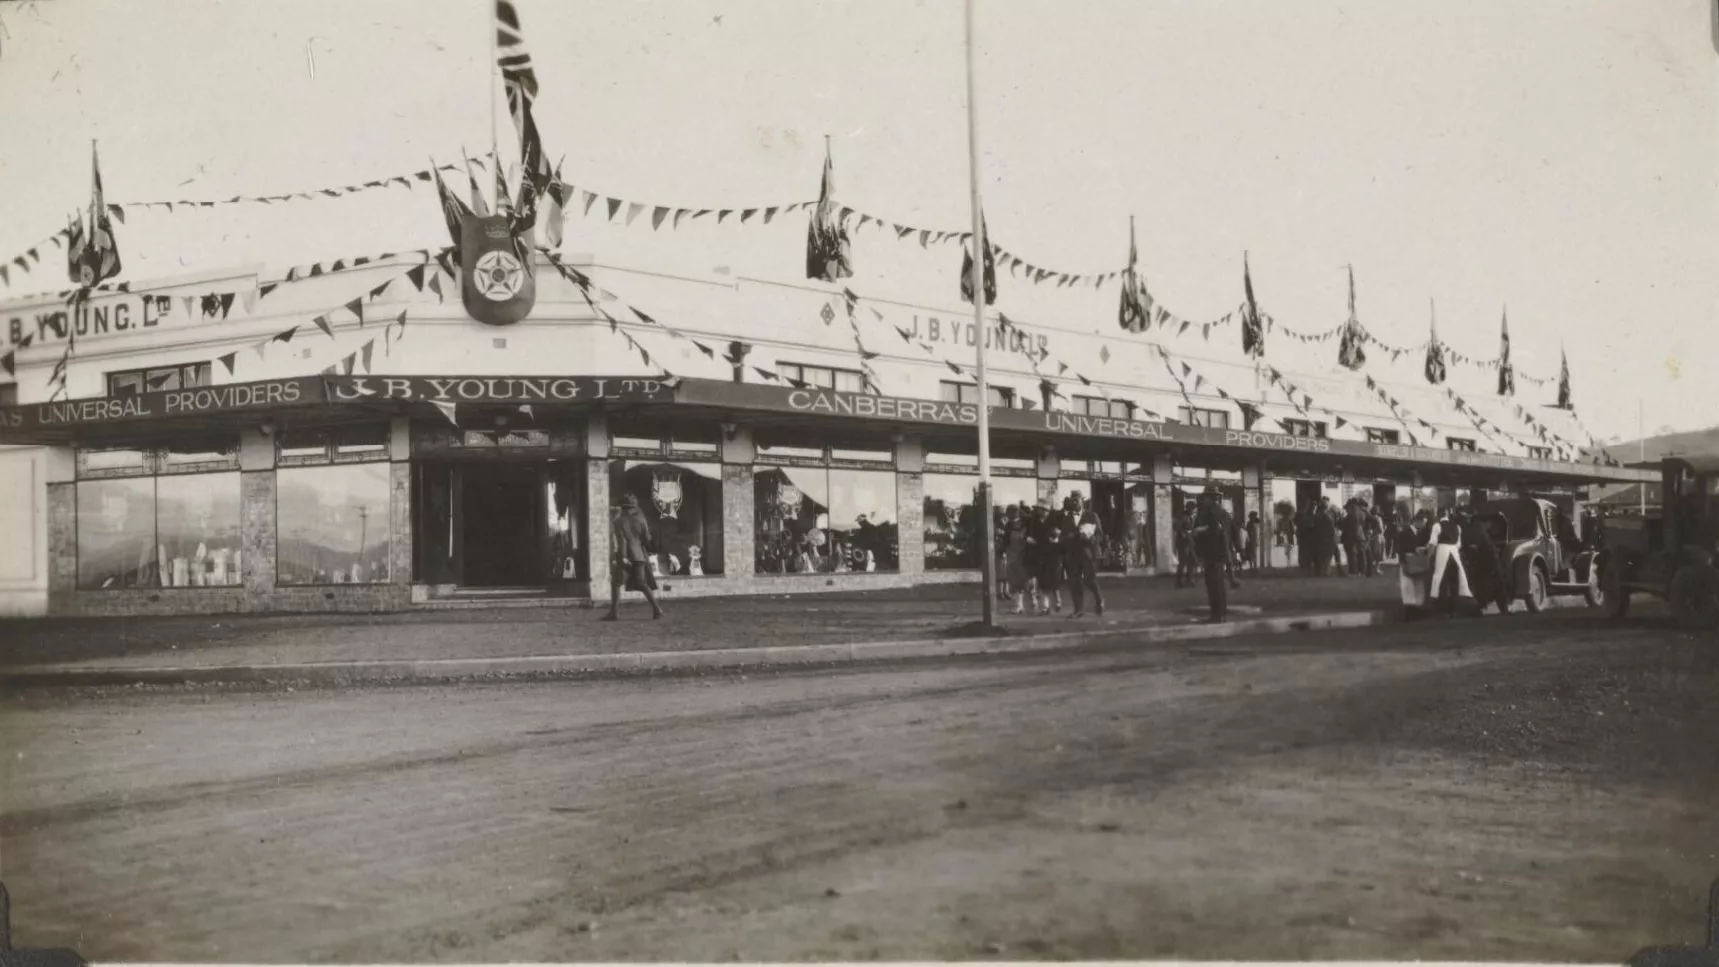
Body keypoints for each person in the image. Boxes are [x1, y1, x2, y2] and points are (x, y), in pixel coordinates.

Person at [604, 494, 664, 621]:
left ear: (622, 508)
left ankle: (614, 613)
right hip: (640, 556)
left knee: (616, 583)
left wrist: (623, 557)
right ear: (632, 508)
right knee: (642, 583)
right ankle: (657, 609)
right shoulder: (640, 521)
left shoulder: (618, 522)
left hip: (626, 556)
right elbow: (647, 539)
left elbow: (621, 541)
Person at [1064, 493, 1105, 617]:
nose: (1075, 503)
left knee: (1090, 579)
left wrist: (1092, 538)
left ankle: (1099, 600)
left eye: (1077, 500)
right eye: (1073, 501)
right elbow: (1063, 535)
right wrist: (1067, 537)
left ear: (1082, 501)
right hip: (1072, 553)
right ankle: (1078, 609)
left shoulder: (1092, 516)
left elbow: (1100, 534)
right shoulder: (1067, 517)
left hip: (1087, 552)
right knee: (1074, 581)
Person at [1192, 489, 1230, 622]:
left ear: (1209, 498)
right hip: (1220, 552)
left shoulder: (1211, 512)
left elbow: (1213, 529)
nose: (1203, 500)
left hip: (1212, 552)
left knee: (1213, 585)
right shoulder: (1223, 512)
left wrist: (1198, 530)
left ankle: (1216, 615)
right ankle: (1221, 613)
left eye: (1205, 498)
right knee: (1219, 584)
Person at [1034, 503, 1066, 615]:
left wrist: (1057, 538)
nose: (1041, 512)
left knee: (1055, 579)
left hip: (1054, 554)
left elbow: (1061, 533)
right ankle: (1045, 607)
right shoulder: (1036, 521)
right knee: (1042, 580)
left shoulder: (1054, 520)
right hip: (1041, 553)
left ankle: (1058, 601)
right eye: (1040, 509)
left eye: (1043, 510)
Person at [1174, 501, 1197, 588]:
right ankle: (1179, 581)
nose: (1193, 510)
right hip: (1183, 542)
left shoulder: (1190, 517)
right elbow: (1180, 530)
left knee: (1190, 561)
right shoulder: (1183, 517)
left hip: (1189, 542)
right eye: (1192, 508)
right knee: (1183, 562)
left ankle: (1189, 579)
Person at [1313, 497, 1338, 577]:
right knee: (1327, 557)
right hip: (1327, 538)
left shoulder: (1318, 516)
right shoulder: (1327, 516)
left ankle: (1323, 572)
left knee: (1324, 556)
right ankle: (1326, 572)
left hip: (1322, 538)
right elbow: (1330, 528)